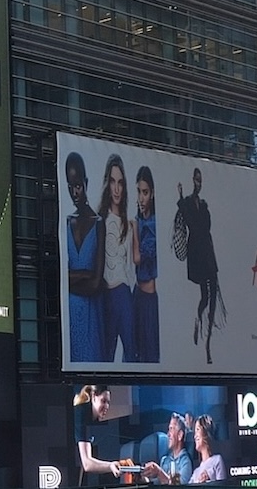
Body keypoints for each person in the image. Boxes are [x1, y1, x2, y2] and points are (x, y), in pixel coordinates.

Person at [176, 168, 224, 365]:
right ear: (192, 180)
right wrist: (180, 197)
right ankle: (198, 318)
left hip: (208, 252)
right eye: (196, 180)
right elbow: (190, 224)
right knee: (205, 295)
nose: (198, 183)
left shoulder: (203, 205)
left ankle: (208, 344)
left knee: (213, 296)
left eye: (200, 181)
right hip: (198, 255)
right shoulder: (187, 203)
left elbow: (206, 227)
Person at [64, 152, 106, 362]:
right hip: (69, 319)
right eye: (70, 186)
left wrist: (69, 280)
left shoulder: (98, 223)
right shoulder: (66, 222)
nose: (75, 192)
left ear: (86, 183)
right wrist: (84, 274)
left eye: (78, 186)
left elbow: (96, 284)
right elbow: (60, 278)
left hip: (91, 317)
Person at [98, 154, 135, 363]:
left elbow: (131, 264)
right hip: (107, 295)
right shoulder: (100, 220)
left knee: (130, 353)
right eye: (113, 182)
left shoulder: (129, 224)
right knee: (106, 355)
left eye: (120, 183)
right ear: (107, 184)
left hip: (125, 294)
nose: (117, 189)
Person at [132, 166, 159, 363]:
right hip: (137, 294)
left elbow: (138, 258)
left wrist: (134, 229)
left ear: (152, 193)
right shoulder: (139, 219)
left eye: (145, 192)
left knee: (149, 355)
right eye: (139, 192)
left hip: (149, 299)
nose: (141, 198)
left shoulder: (154, 225)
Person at [73, 385, 122, 485]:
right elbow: (87, 464)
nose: (106, 406)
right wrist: (110, 466)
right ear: (93, 396)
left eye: (108, 402)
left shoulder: (92, 419)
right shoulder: (81, 414)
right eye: (103, 401)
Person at [142, 414, 194, 485]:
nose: (168, 434)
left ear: (180, 435)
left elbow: (180, 486)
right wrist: (143, 476)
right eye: (168, 430)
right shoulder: (165, 460)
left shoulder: (185, 462)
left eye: (171, 429)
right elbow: (156, 484)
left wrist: (159, 473)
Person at [189, 415, 224, 483]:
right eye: (194, 432)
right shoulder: (196, 473)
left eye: (198, 429)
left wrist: (209, 479)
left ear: (206, 431)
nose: (195, 436)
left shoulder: (217, 460)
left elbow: (223, 486)